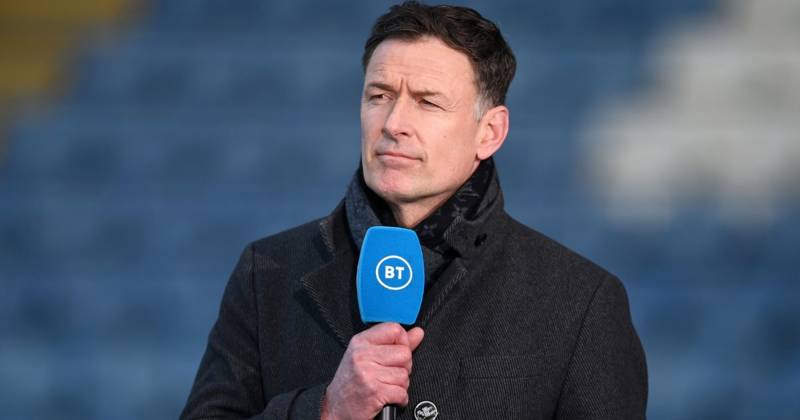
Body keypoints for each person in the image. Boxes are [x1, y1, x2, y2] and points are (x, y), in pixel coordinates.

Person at [180, 2, 648, 419]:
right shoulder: (267, 272)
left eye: (427, 102)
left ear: (490, 132)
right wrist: (326, 410)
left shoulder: (580, 302)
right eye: (379, 96)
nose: (394, 123)